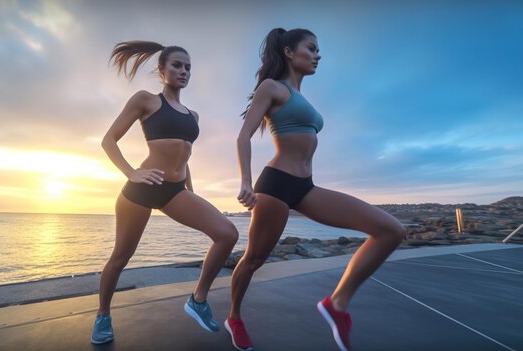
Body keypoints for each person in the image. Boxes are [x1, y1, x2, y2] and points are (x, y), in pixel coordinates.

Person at [225, 28, 407, 351]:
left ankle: (337, 305)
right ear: (289, 53)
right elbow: (243, 136)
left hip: (306, 187)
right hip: (276, 186)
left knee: (390, 230)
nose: (318, 55)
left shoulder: (302, 97)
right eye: (311, 48)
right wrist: (245, 182)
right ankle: (234, 316)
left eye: (319, 50)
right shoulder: (272, 88)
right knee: (253, 259)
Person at [91, 40, 239, 344]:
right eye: (177, 65)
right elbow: (108, 140)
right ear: (162, 70)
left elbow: (184, 156)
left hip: (175, 190)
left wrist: (191, 191)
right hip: (141, 190)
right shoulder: (146, 100)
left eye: (188, 67)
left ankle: (198, 300)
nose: (184, 71)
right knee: (121, 256)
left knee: (227, 234)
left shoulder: (193, 116)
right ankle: (103, 314)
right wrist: (132, 172)